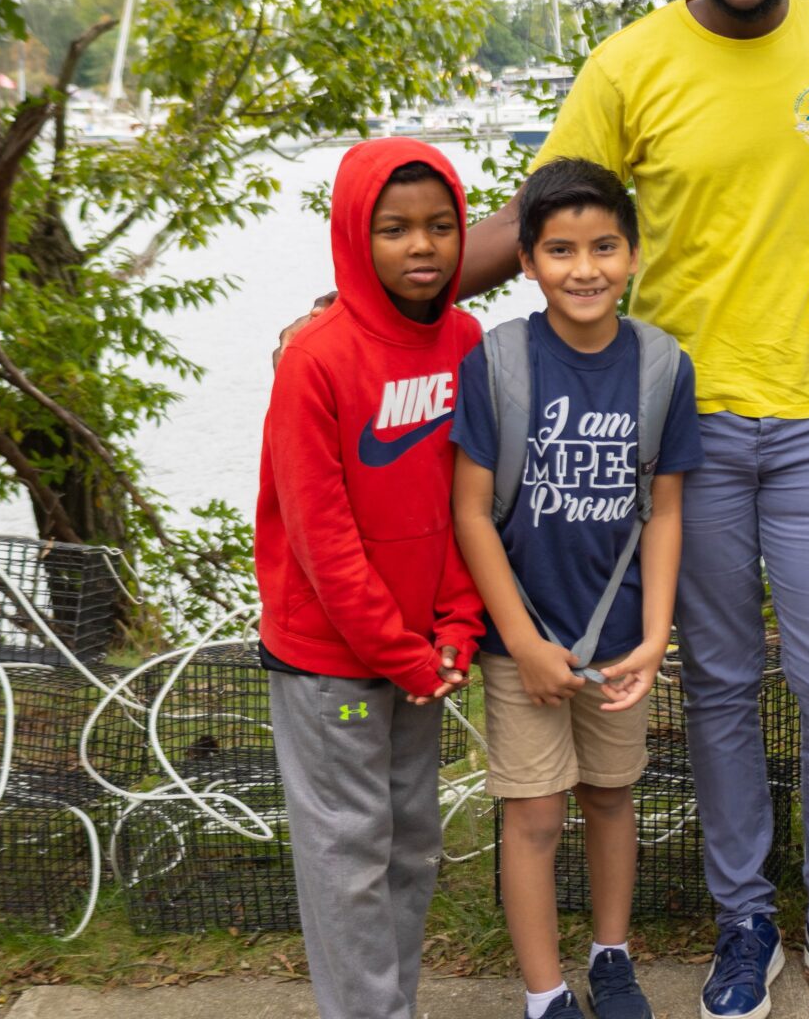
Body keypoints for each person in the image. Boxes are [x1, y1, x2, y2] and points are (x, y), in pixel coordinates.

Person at [517, 0, 809, 1019]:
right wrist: (377, 295)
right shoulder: (631, 62)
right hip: (679, 428)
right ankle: (745, 918)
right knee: (722, 683)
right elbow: (544, 215)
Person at [451, 159, 704, 1019]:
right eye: (559, 250)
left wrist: (656, 632)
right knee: (531, 815)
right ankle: (544, 992)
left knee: (609, 797)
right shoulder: (499, 363)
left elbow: (663, 512)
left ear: (633, 255)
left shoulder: (664, 367)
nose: (584, 268)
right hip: (520, 641)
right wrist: (521, 642)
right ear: (526, 260)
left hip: (619, 639)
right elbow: (473, 514)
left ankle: (611, 954)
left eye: (604, 247)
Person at [256, 138, 485, 1019]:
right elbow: (319, 536)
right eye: (394, 229)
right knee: (349, 856)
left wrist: (457, 626)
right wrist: (399, 652)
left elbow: (472, 500)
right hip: (333, 660)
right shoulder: (316, 358)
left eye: (439, 226)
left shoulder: (464, 340)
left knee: (413, 844)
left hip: (424, 653)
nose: (421, 246)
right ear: (356, 235)